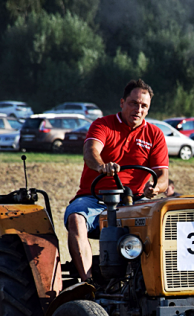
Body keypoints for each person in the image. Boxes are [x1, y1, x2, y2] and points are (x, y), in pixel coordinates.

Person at [64, 78, 169, 282]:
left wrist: (155, 188)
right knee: (76, 218)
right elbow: (90, 151)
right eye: (133, 103)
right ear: (122, 103)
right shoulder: (103, 125)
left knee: (164, 223)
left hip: (134, 201)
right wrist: (101, 166)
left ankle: (153, 283)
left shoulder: (154, 134)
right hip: (96, 199)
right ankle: (88, 283)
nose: (138, 109)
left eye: (143, 106)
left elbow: (163, 177)